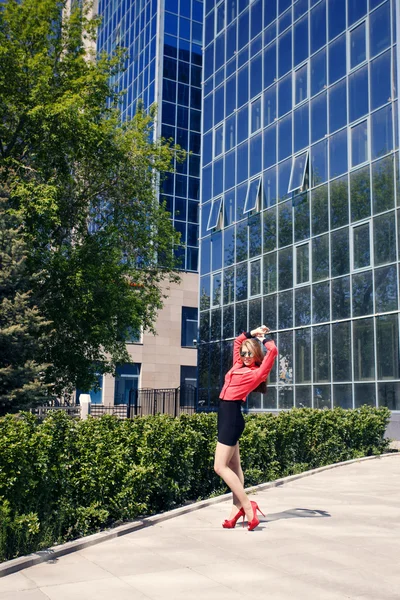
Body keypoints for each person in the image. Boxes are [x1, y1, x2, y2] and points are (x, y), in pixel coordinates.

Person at [214, 325, 278, 531]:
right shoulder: (237, 364)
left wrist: (265, 338)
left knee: (219, 467)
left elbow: (273, 352)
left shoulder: (256, 372)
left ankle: (248, 507)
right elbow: (236, 341)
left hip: (232, 417)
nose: (245, 356)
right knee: (234, 467)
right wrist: (253, 333)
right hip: (225, 416)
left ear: (256, 355)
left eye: (250, 354)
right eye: (243, 353)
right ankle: (235, 511)